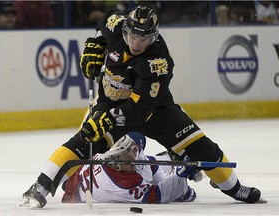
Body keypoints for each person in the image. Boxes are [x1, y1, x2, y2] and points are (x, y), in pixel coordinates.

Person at [18, 5, 266, 208]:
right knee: (82, 141)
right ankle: (40, 186)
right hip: (111, 101)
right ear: (126, 29)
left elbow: (139, 111)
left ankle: (235, 188)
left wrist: (108, 119)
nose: (136, 43)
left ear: (154, 36)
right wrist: (95, 43)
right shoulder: (117, 25)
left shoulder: (158, 62)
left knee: (206, 150)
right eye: (133, 36)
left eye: (144, 38)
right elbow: (104, 22)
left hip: (155, 112)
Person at [61, 133, 199, 204]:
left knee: (140, 149)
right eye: (130, 162)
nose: (134, 157)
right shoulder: (120, 185)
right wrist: (181, 178)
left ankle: (169, 160)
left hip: (81, 178)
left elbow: (146, 164)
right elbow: (157, 194)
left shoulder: (119, 157)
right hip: (82, 192)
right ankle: (170, 161)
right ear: (116, 164)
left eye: (133, 151)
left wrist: (177, 172)